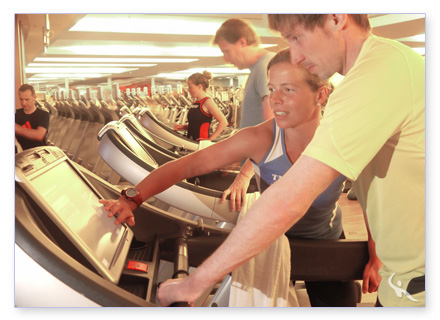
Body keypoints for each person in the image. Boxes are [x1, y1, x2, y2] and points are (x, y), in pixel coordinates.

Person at [155, 14, 425, 308]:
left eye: (297, 37)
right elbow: (375, 191)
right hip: (403, 278)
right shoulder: (375, 72)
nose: (295, 54)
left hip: (418, 284)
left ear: (336, 16)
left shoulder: (381, 72)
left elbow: (290, 198)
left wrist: (196, 283)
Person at [100, 49, 381, 307]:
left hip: (325, 240)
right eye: (272, 89)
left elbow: (373, 202)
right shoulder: (260, 138)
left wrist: (375, 255)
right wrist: (131, 199)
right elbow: (185, 167)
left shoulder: (342, 140)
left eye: (289, 89)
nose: (276, 99)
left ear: (321, 95)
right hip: (269, 239)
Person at [212, 18, 275, 129]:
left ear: (242, 43)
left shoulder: (264, 67)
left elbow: (273, 126)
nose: (225, 59)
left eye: (226, 51)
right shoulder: (257, 69)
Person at [174, 71, 228, 141]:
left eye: (190, 87)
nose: (188, 90)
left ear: (199, 86)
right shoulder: (195, 102)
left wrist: (210, 139)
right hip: (191, 142)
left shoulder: (208, 102)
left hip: (201, 144)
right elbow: (196, 125)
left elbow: (224, 122)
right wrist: (183, 127)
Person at [15, 84, 50, 151]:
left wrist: (16, 128)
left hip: (39, 154)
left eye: (27, 99)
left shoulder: (43, 114)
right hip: (22, 155)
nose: (24, 103)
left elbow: (39, 135)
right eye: (21, 99)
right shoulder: (15, 114)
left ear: (34, 98)